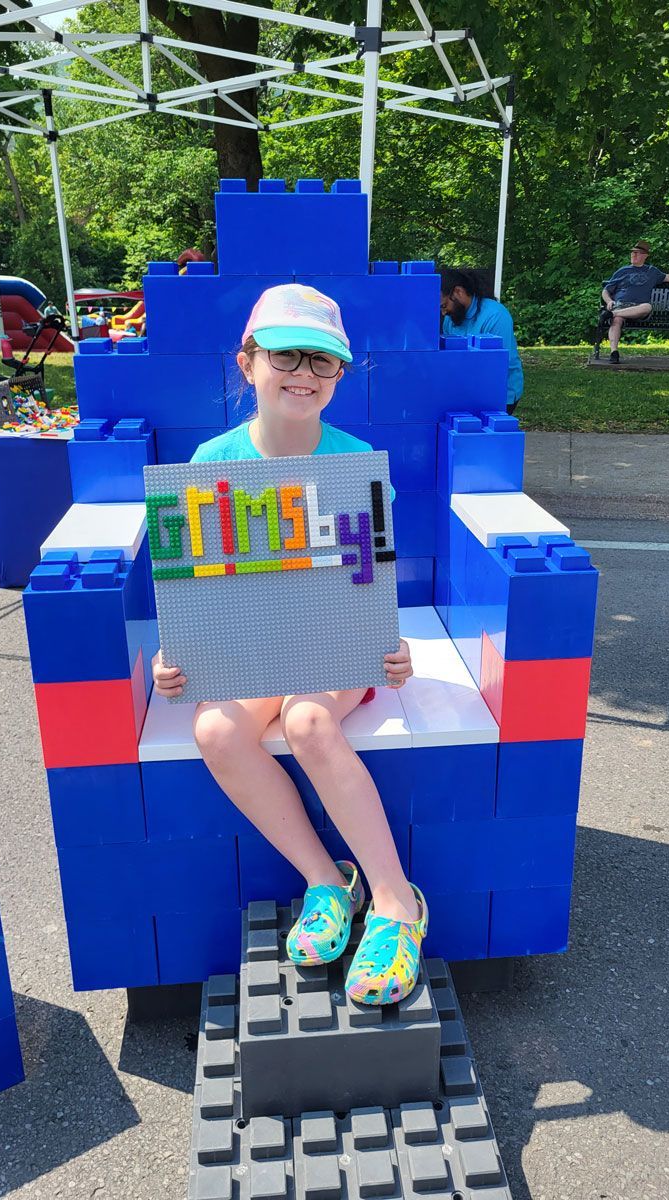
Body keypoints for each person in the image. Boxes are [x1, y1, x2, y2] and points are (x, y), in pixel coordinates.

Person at [151, 283, 428, 1006]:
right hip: (252, 652)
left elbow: (370, 579)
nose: (302, 372)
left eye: (322, 361)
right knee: (215, 726)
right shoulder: (211, 460)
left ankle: (397, 903)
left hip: (334, 649)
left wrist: (390, 650)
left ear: (339, 376)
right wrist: (174, 654)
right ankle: (326, 880)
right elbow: (192, 583)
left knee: (307, 720)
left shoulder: (355, 462)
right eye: (285, 355)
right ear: (248, 363)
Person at [602, 240, 669, 363]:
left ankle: (612, 314)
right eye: (632, 253)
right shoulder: (623, 271)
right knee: (616, 321)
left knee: (647, 307)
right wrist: (608, 301)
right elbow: (606, 290)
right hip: (620, 305)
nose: (633, 255)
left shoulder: (652, 271)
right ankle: (614, 353)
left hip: (639, 308)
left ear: (645, 256)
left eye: (637, 253)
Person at [439, 268, 524, 413]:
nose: (443, 312)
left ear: (458, 292)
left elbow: (499, 365)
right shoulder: (450, 319)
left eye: (444, 305)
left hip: (501, 392)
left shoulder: (496, 316)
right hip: (466, 388)